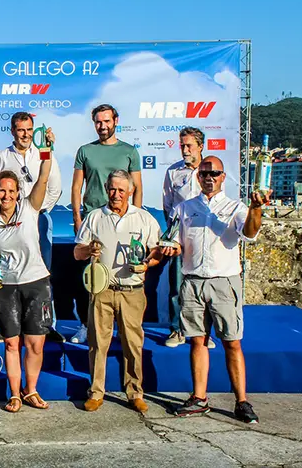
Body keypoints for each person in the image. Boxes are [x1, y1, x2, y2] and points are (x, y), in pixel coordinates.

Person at [165, 156, 268, 424]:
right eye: (205, 173)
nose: (209, 177)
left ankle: (242, 401)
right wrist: (170, 248)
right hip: (193, 281)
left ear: (223, 177)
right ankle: (199, 398)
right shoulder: (184, 208)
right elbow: (175, 242)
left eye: (215, 173)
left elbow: (250, 233)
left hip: (224, 282)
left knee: (231, 343)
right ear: (198, 177)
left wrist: (256, 209)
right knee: (197, 341)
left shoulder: (236, 207)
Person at [73, 170, 164, 413]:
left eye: (121, 190)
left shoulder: (144, 219)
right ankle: (96, 392)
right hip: (102, 290)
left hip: (132, 290)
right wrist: (87, 251)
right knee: (97, 344)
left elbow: (156, 251)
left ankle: (134, 392)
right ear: (106, 189)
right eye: (112, 189)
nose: (116, 194)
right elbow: (77, 252)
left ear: (131, 191)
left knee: (133, 344)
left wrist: (148, 263)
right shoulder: (94, 217)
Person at [0, 126, 55, 412]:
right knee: (12, 345)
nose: (7, 195)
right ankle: (13, 394)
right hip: (6, 287)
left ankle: (30, 391)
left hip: (36, 283)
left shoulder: (29, 208)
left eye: (11, 190)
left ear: (18, 192)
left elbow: (44, 177)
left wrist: (47, 147)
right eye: (2, 190)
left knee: (35, 344)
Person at [69, 104, 142, 344]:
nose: (103, 126)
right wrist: (78, 220)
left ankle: (120, 327)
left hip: (123, 223)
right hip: (94, 222)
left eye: (107, 121)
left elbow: (137, 188)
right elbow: (77, 188)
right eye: (98, 122)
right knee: (91, 277)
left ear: (116, 121)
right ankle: (87, 325)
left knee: (122, 273)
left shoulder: (130, 151)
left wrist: (137, 220)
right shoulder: (85, 151)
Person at [0, 112, 62, 343]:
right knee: (5, 272)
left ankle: (46, 325)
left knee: (40, 274)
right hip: (7, 223)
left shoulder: (44, 154)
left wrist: (33, 211)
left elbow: (53, 188)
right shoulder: (0, 157)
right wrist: (9, 214)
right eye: (21, 130)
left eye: (29, 130)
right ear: (12, 131)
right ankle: (7, 326)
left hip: (37, 219)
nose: (26, 134)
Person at [162, 127, 215, 349]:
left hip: (205, 237)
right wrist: (175, 232)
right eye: (182, 145)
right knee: (177, 286)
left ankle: (204, 333)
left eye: (189, 145)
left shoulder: (212, 172)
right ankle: (177, 330)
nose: (184, 149)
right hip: (179, 238)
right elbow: (167, 205)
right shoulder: (173, 172)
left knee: (204, 287)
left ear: (200, 147)